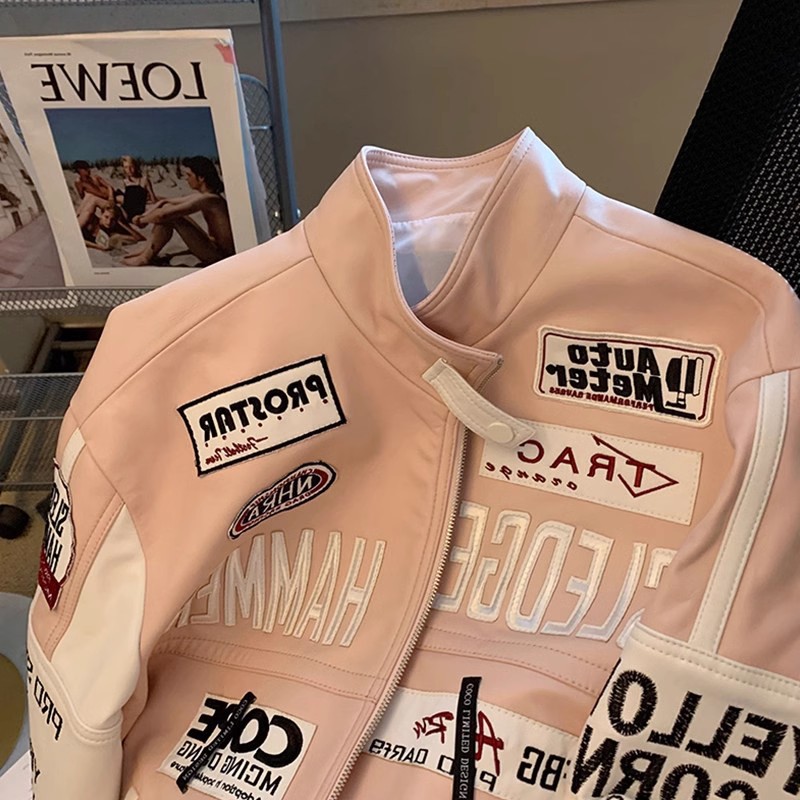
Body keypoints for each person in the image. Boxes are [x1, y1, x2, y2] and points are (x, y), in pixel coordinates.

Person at [122, 156, 234, 267]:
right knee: (168, 209)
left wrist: (141, 220)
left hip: (220, 255)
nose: (186, 179)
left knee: (172, 216)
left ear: (201, 178)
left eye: (189, 175)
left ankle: (145, 257)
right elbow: (165, 201)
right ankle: (145, 251)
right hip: (213, 244)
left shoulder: (209, 199)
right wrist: (143, 215)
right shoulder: (207, 196)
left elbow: (162, 215)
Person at [114, 155, 157, 222]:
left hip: (138, 214)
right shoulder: (125, 181)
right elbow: (127, 199)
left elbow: (153, 199)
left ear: (135, 166)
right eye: (126, 167)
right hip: (125, 212)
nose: (129, 170)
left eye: (131, 166)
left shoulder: (144, 180)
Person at [74, 160, 115, 230]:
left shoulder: (95, 178)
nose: (88, 170)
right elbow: (82, 196)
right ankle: (78, 218)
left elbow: (109, 187)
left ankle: (77, 217)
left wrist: (111, 197)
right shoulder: (80, 183)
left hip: (110, 199)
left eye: (88, 168)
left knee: (90, 196)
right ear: (79, 170)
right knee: (89, 196)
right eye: (85, 169)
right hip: (100, 201)